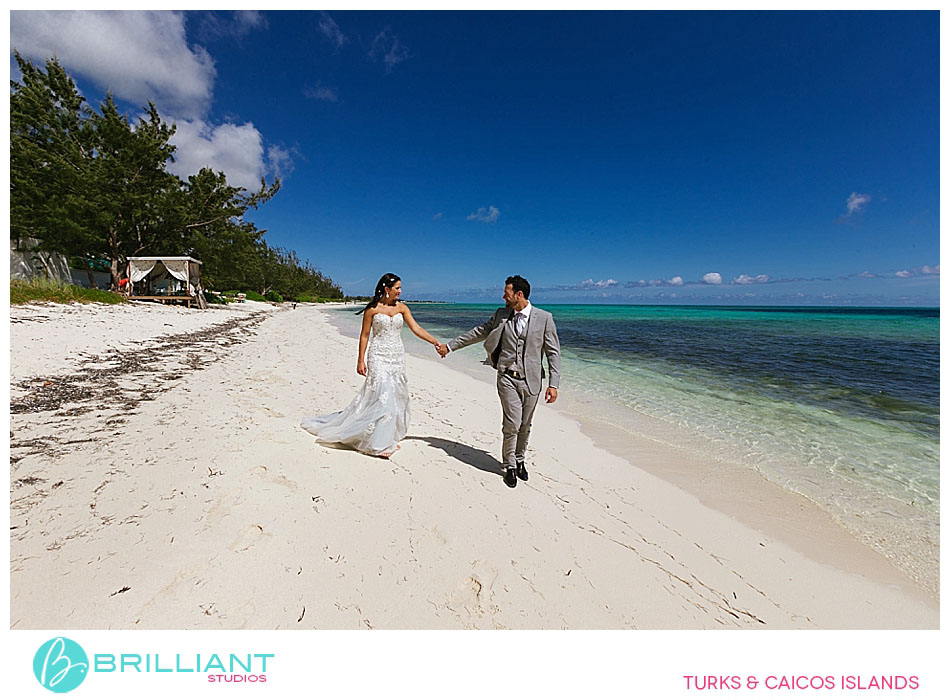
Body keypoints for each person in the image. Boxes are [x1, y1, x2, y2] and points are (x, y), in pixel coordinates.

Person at [437, 275, 560, 488]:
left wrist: (554, 384)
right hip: (507, 378)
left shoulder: (544, 318)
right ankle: (510, 465)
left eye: (507, 293)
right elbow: (479, 332)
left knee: (525, 424)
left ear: (519, 295)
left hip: (532, 381)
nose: (503, 297)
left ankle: (520, 460)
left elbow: (553, 352)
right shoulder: (501, 315)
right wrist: (450, 346)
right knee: (512, 423)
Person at [301, 273, 442, 458]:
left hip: (397, 357)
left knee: (395, 396)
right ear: (387, 289)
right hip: (378, 356)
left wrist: (435, 342)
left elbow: (416, 329)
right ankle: (379, 444)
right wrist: (360, 360)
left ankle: (386, 435)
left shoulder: (402, 308)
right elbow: (365, 335)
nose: (400, 291)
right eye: (397, 288)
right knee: (383, 396)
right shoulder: (372, 309)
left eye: (400, 288)